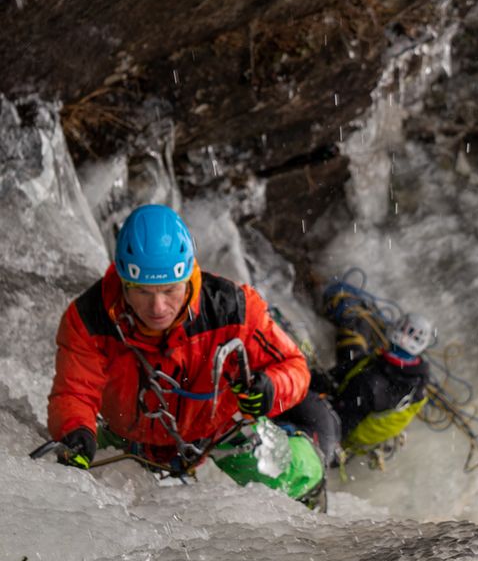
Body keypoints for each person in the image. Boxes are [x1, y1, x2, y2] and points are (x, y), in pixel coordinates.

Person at [47, 203, 327, 504]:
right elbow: (75, 393)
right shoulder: (89, 318)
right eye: (142, 292)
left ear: (188, 277)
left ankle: (311, 462)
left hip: (219, 431)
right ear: (124, 283)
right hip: (127, 436)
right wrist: (75, 431)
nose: (157, 308)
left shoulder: (233, 309)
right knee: (66, 473)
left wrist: (271, 389)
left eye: (169, 290)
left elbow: (294, 367)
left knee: (297, 480)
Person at [318, 282, 434, 461]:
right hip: (361, 430)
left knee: (350, 350)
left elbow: (340, 420)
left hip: (341, 434)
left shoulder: (369, 381)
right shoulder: (420, 380)